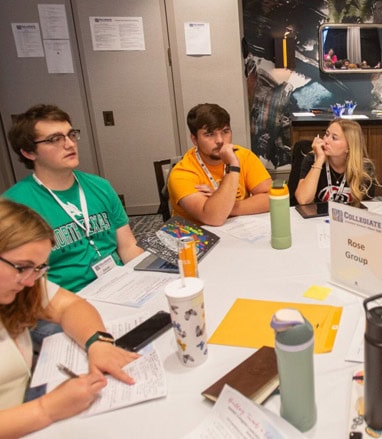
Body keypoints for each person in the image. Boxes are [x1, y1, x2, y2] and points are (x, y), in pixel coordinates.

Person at [0, 199, 139, 438]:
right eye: (22, 267)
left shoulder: (21, 284)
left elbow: (70, 305)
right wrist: (45, 410)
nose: (30, 281)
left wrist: (98, 342)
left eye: (38, 269)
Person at [3, 104, 144, 293]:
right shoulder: (14, 206)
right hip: (64, 302)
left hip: (120, 284)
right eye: (54, 139)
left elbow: (127, 247)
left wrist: (146, 281)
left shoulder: (100, 186)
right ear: (29, 152)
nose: (69, 144)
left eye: (71, 135)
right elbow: (23, 285)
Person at [168, 103, 273, 226]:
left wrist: (224, 205)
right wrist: (233, 166)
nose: (220, 140)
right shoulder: (182, 173)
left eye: (225, 131)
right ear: (194, 139)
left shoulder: (244, 155)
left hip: (236, 228)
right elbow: (213, 218)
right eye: (209, 134)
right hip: (194, 238)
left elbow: (272, 198)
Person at [295, 119, 378, 205]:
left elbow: (367, 205)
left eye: (334, 138)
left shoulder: (364, 167)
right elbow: (303, 200)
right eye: (327, 134)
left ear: (349, 147)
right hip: (319, 217)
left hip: (349, 217)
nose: (326, 141)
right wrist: (319, 160)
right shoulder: (312, 159)